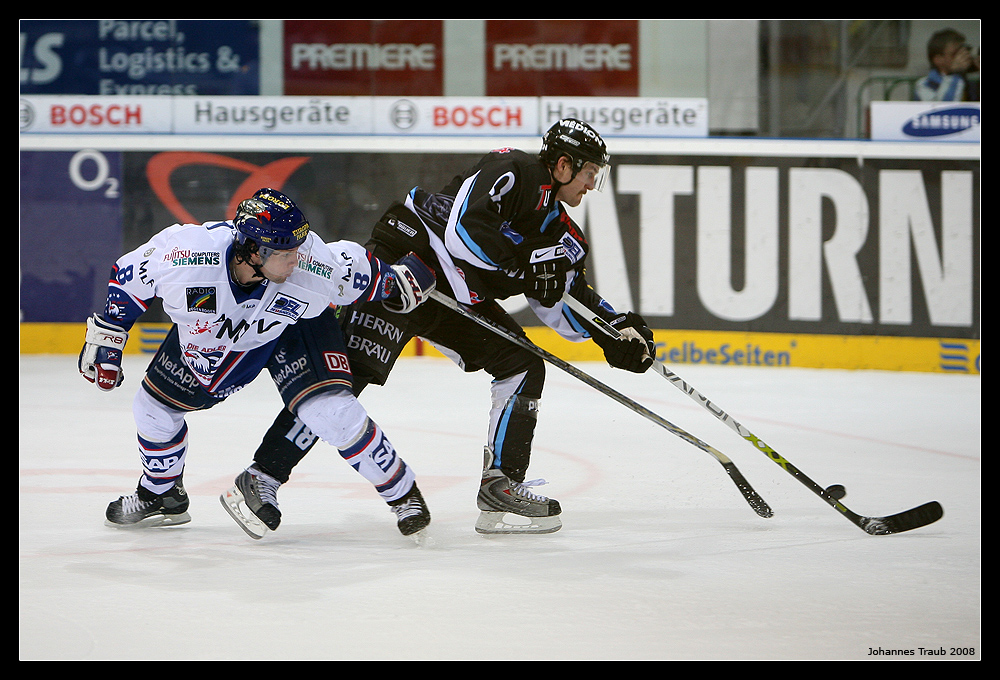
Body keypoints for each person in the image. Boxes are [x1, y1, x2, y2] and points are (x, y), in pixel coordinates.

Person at [242, 119, 656, 535]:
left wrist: (611, 332)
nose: (590, 185)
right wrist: (526, 265)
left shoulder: (561, 232)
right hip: (406, 261)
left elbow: (563, 299)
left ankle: (501, 484)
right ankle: (263, 476)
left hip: (454, 296)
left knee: (522, 363)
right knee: (347, 375)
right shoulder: (516, 169)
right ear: (564, 165)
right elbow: (462, 233)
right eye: (589, 174)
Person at [78, 187, 437, 539]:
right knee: (152, 410)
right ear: (252, 250)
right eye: (285, 252)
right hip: (212, 338)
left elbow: (356, 270)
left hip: (292, 328)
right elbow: (128, 277)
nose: (296, 258)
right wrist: (108, 337)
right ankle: (161, 495)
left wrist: (397, 281)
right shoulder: (187, 257)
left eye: (298, 247)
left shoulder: (309, 267)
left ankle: (403, 494)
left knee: (330, 411)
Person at [915, 28, 980, 102]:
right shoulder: (925, 85)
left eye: (963, 52)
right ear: (938, 60)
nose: (962, 57)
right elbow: (945, 108)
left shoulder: (967, 81)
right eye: (955, 53)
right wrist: (955, 74)